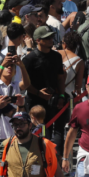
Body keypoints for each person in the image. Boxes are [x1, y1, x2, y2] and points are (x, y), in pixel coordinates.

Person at [22, 26, 67, 155]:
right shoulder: (29, 59)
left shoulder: (56, 56)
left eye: (51, 37)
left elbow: (60, 78)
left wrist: (61, 96)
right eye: (47, 38)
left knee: (50, 134)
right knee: (35, 133)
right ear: (38, 40)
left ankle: (50, 159)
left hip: (52, 101)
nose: (51, 40)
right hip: (34, 103)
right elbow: (24, 84)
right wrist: (38, 93)